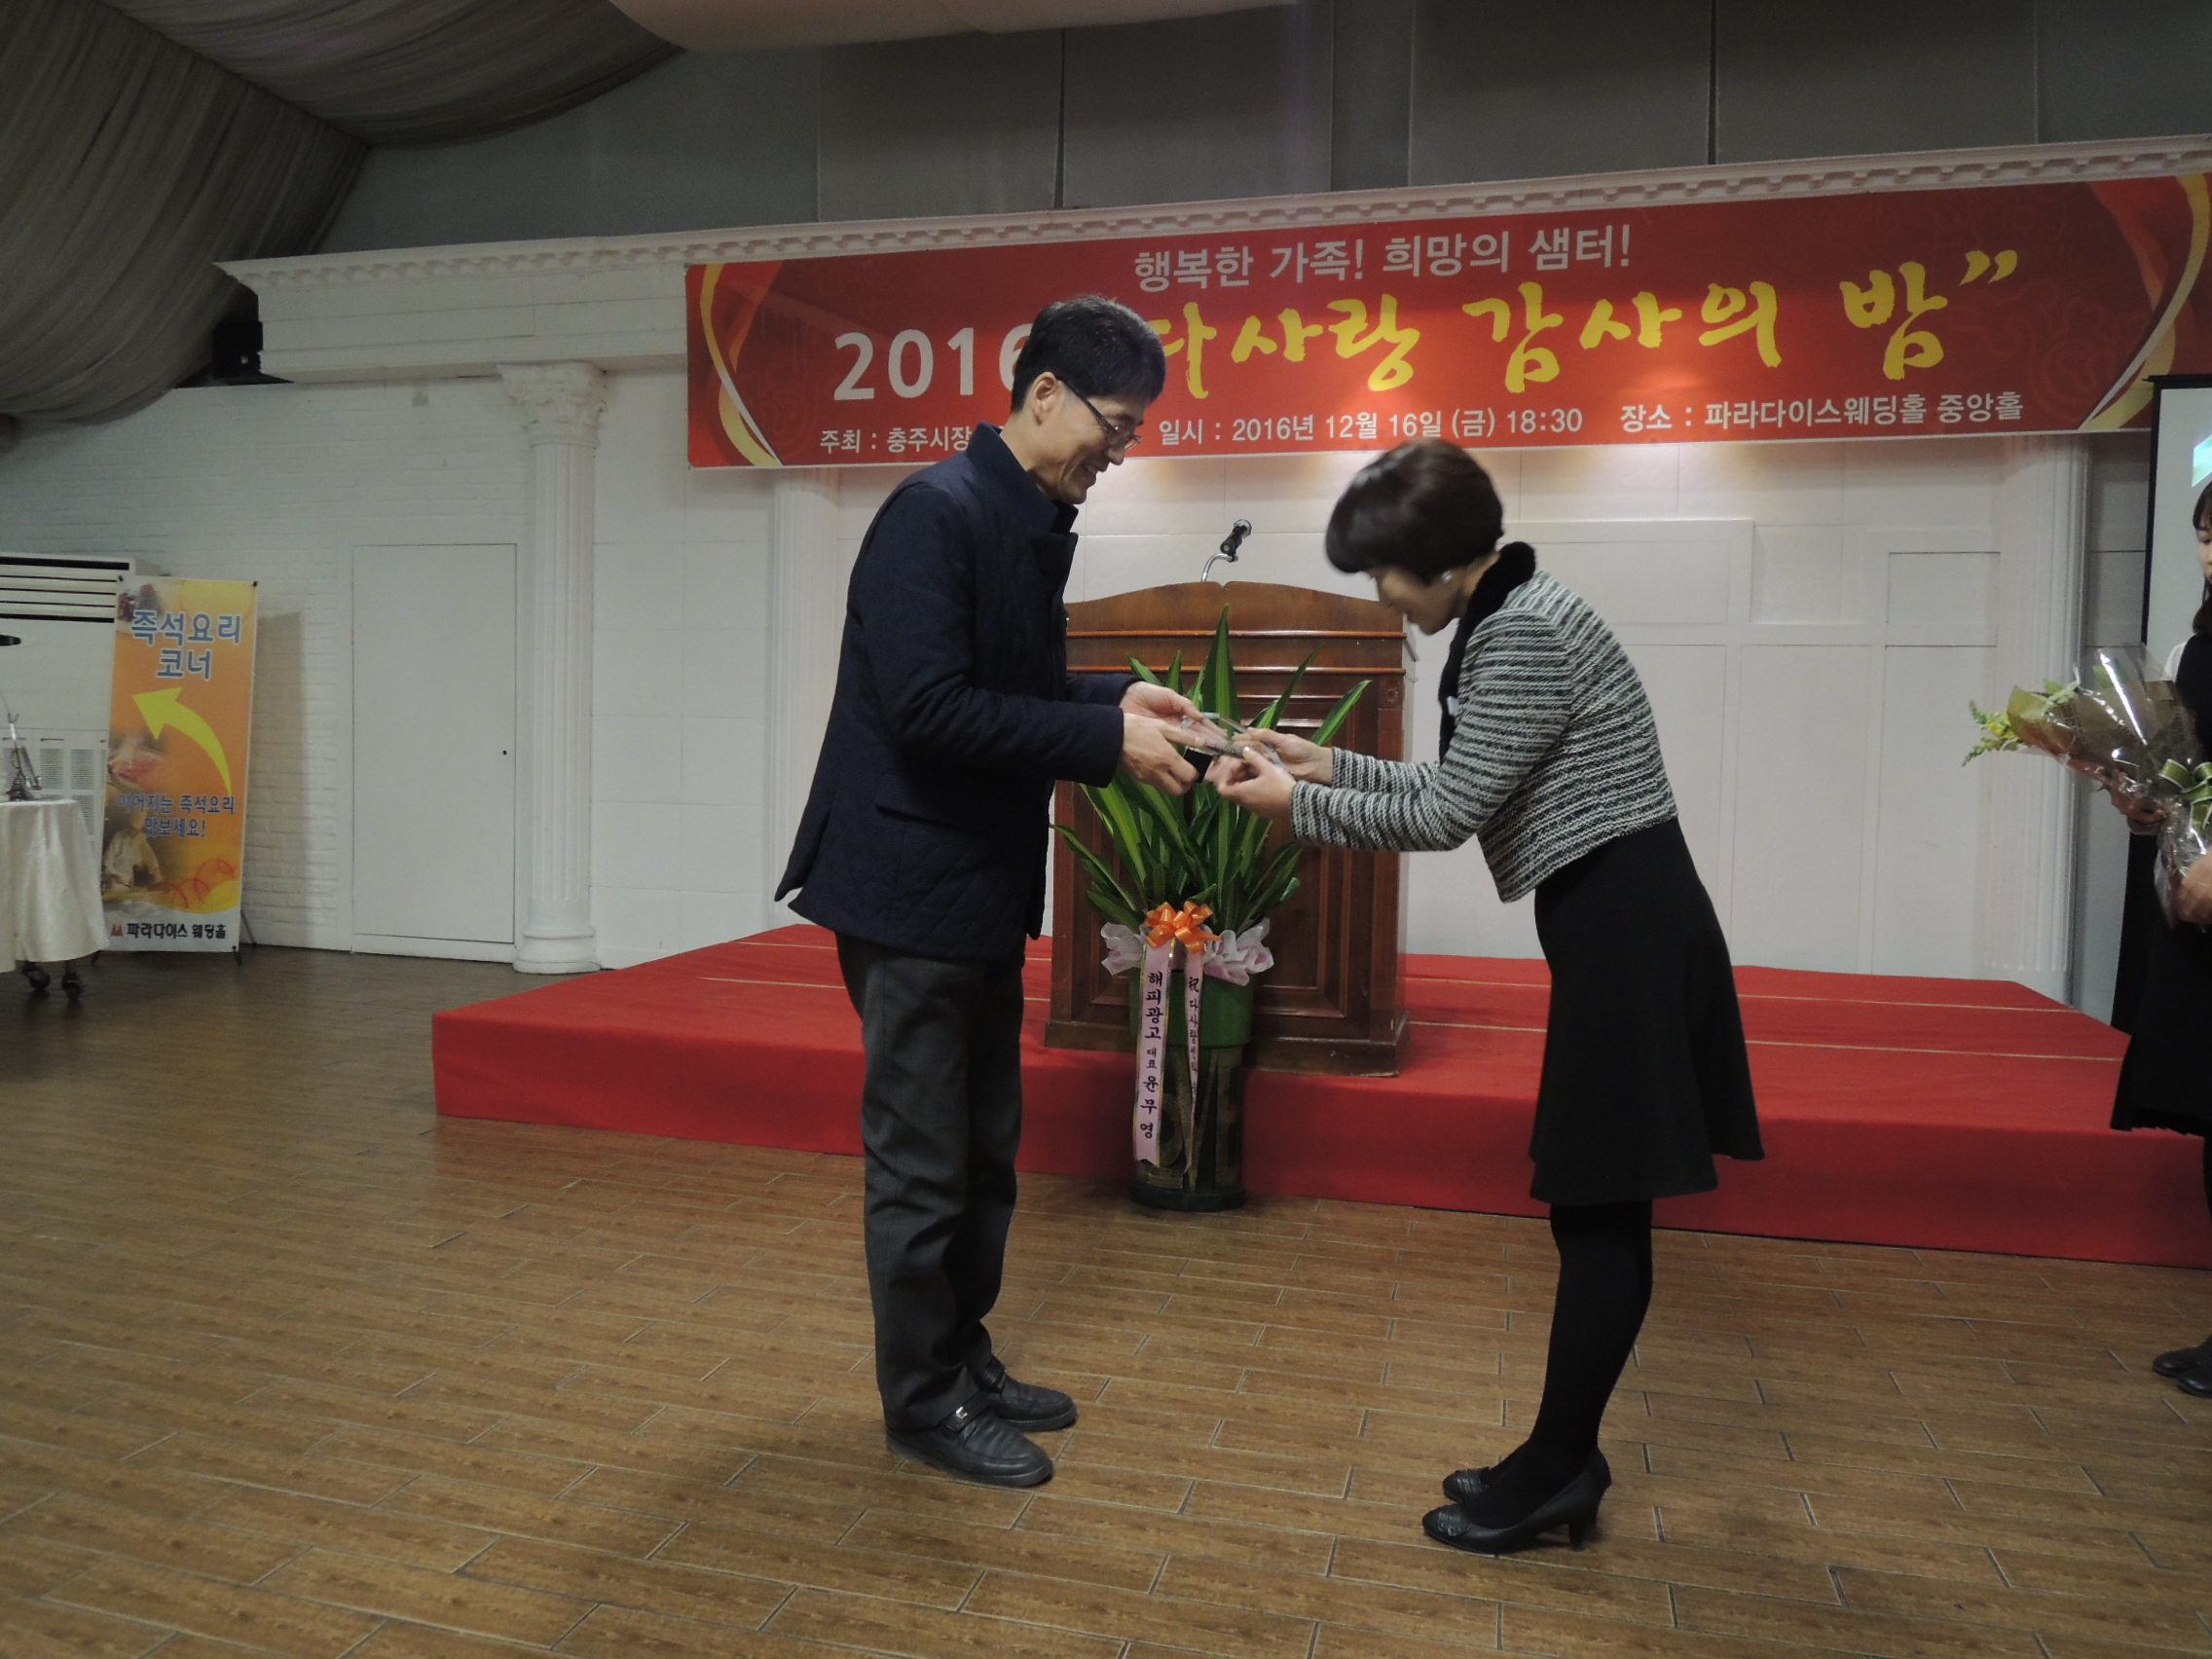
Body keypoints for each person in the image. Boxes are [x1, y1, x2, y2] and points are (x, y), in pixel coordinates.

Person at [1210, 439, 1763, 1554]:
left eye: (1382, 571)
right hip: (1621, 927)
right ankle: (1560, 1457)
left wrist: (1289, 807)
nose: (1379, 593)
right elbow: (1454, 785)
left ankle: (1557, 1470)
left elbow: (1444, 815)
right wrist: (1322, 763)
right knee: (1593, 1209)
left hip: (1627, 938)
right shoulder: (1509, 607)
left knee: (1597, 1212)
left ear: (1433, 558)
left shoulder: (1521, 632)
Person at [777, 296, 1201, 1488]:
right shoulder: (936, 513)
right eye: (1114, 426)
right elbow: (929, 709)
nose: (1118, 453)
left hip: (971, 884)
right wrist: (1102, 742)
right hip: (908, 887)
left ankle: (960, 1358)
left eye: (1132, 434)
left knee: (981, 1154)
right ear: (1045, 392)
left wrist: (1114, 696)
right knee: (923, 1167)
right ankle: (920, 1403)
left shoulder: (1020, 513)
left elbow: (1010, 681)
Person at [2113, 479, 2212, 1390]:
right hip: (2201, 914)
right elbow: (2181, 775)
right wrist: (2146, 804)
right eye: (2206, 535)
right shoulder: (2192, 650)